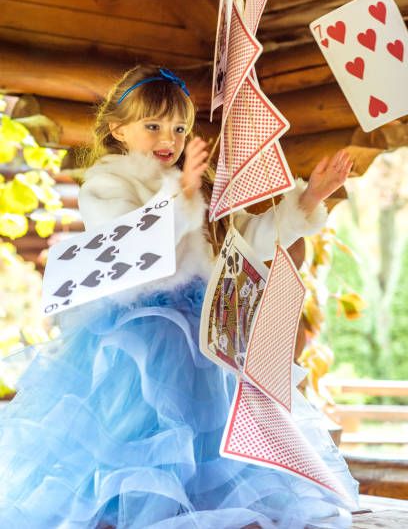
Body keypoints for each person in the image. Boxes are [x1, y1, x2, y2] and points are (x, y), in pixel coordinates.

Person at [0, 65, 358, 529]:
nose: (167, 138)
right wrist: (180, 195)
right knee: (145, 428)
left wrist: (309, 200)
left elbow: (249, 239)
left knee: (209, 431)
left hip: (207, 329)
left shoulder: (201, 187)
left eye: (179, 128)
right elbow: (130, 245)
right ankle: (136, 507)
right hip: (142, 329)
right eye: (153, 126)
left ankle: (199, 506)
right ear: (118, 130)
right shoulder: (107, 185)